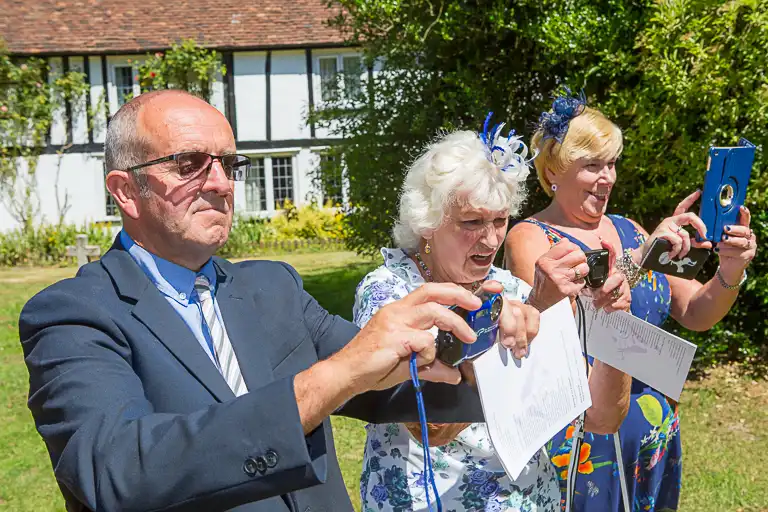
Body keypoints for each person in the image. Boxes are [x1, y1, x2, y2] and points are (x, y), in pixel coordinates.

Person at [18, 90, 542, 512]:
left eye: (228, 163)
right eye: (189, 164)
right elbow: (116, 473)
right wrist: (336, 375)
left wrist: (482, 342)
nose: (220, 183)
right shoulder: (74, 313)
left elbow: (394, 389)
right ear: (125, 190)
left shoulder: (273, 287)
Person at [353, 116, 632, 512]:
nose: (490, 238)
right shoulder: (390, 292)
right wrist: (528, 312)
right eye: (472, 222)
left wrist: (613, 322)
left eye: (501, 220)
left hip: (532, 500)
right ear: (427, 223)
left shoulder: (512, 288)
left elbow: (601, 418)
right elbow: (432, 426)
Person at [505, 92, 758, 511]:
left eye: (612, 163)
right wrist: (640, 257)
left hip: (651, 433)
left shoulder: (629, 228)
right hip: (586, 438)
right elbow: (562, 319)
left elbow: (695, 311)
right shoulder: (530, 237)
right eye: (592, 165)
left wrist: (730, 269)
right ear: (552, 170)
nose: (607, 178)